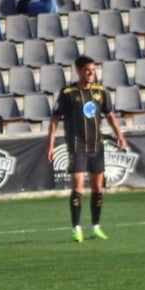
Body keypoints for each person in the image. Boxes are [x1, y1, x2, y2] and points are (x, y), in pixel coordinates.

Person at [46, 55, 127, 242]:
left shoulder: (101, 91)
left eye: (93, 69)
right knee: (78, 188)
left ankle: (95, 227)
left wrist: (119, 135)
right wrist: (50, 145)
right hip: (77, 147)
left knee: (98, 188)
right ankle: (76, 228)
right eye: (87, 70)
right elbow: (54, 119)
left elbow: (110, 115)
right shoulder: (68, 93)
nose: (91, 73)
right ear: (79, 71)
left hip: (97, 146)